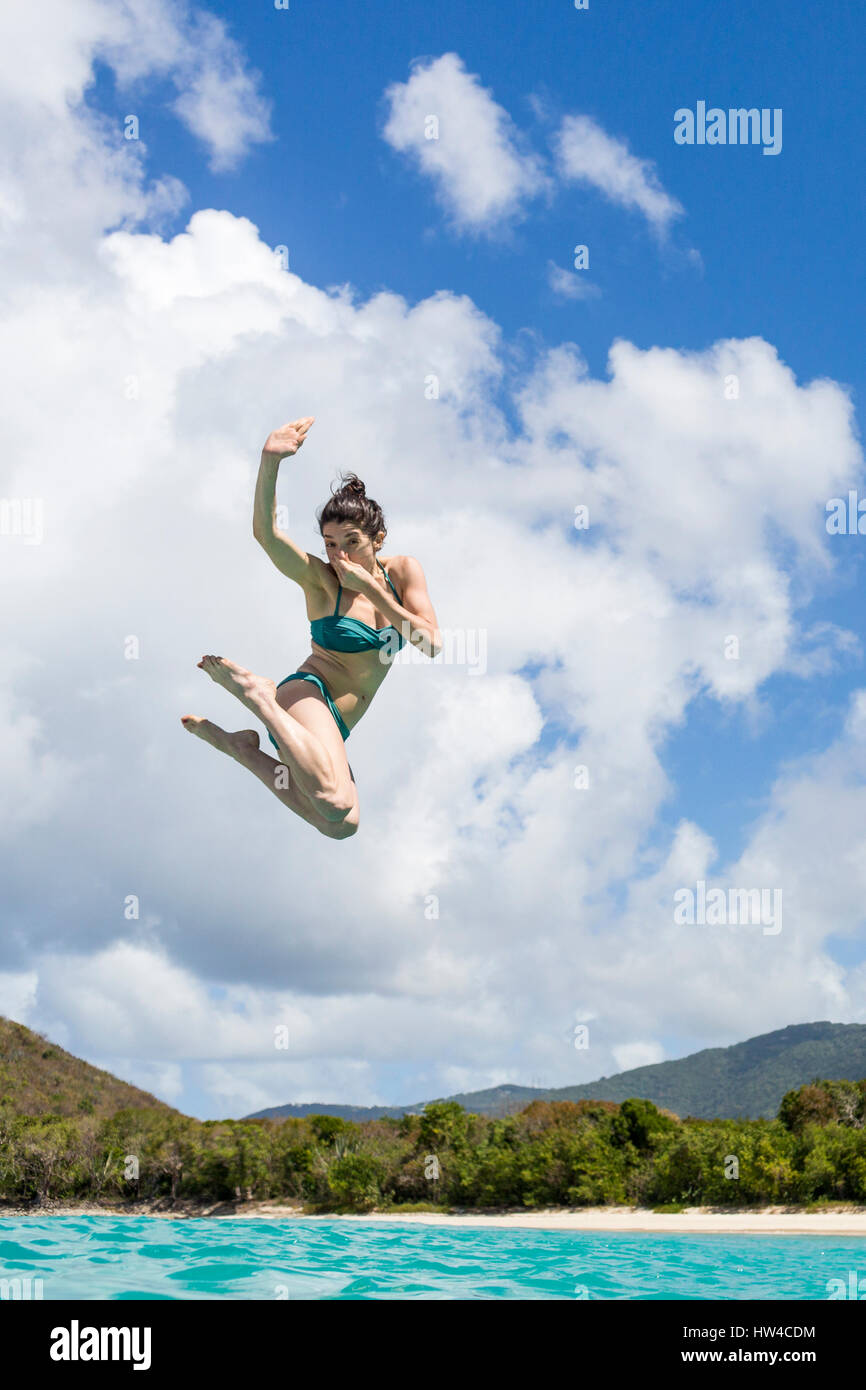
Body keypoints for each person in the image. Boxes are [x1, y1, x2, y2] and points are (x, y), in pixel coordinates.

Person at [182, 418, 440, 838]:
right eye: (330, 543)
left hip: (339, 721)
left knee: (342, 826)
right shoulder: (321, 582)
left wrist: (373, 592)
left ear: (378, 538)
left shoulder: (404, 571)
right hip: (307, 693)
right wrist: (270, 462)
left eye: (352, 541)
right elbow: (266, 535)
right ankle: (259, 697)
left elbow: (430, 643)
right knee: (335, 802)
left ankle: (243, 750)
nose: (341, 554)